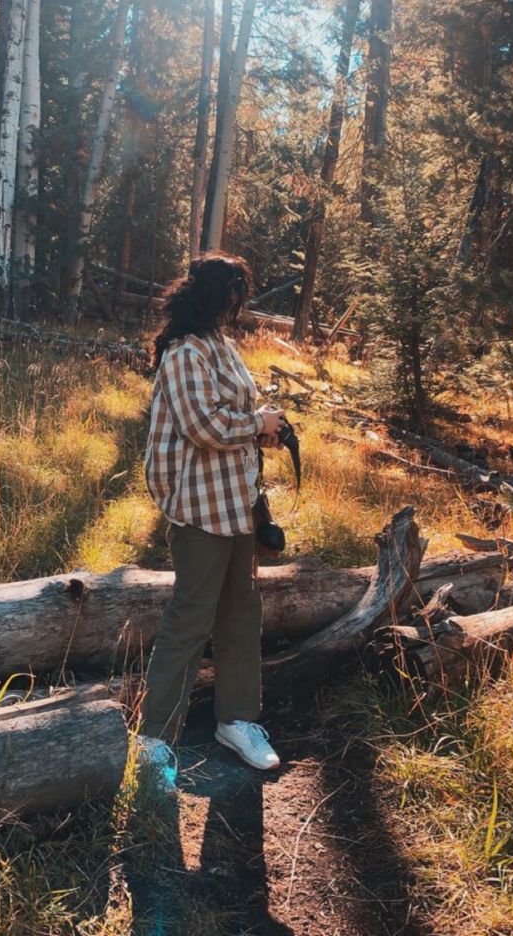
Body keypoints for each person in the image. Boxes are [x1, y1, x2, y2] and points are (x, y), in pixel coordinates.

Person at [138, 252, 285, 786]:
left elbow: (235, 414)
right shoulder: (182, 354)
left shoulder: (222, 346)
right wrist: (258, 423)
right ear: (210, 296)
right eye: (231, 295)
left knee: (241, 612)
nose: (234, 306)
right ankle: (155, 737)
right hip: (199, 507)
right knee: (190, 617)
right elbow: (205, 426)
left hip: (238, 503)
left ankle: (237, 720)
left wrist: (263, 425)